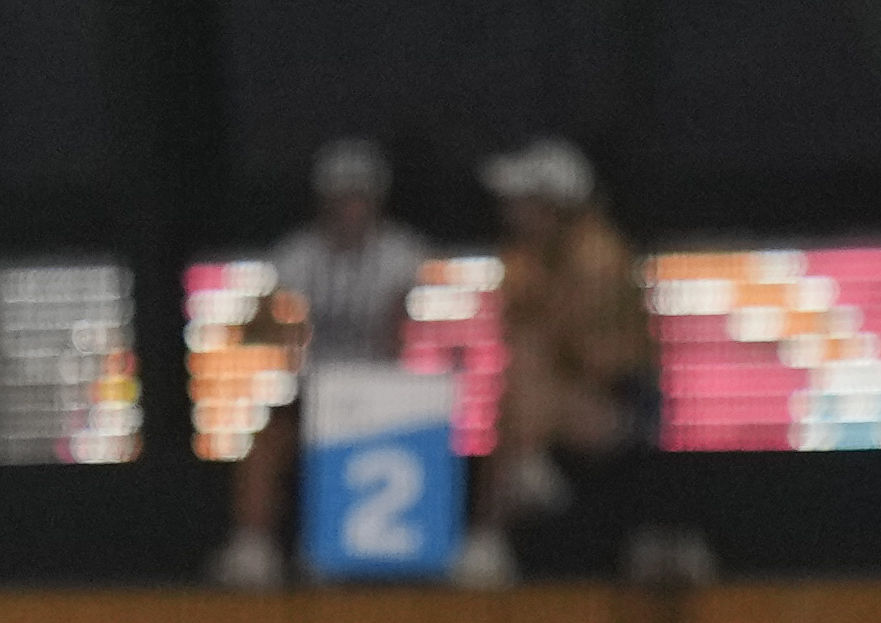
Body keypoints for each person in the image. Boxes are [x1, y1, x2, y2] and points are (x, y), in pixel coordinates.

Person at [213, 135, 429, 585]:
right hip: (317, 390)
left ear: (376, 201)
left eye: (359, 198)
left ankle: (341, 547)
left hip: (382, 394)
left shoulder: (402, 252)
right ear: (323, 202)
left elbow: (403, 331)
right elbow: (256, 325)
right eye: (341, 199)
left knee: (363, 438)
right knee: (265, 441)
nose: (350, 210)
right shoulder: (297, 253)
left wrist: (378, 393)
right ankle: (253, 545)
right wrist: (280, 327)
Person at [460, 135, 652, 585]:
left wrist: (550, 341)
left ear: (553, 207)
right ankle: (519, 481)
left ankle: (492, 532)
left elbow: (604, 364)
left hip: (617, 414)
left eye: (522, 201)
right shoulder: (523, 259)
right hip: (548, 403)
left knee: (524, 385)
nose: (509, 211)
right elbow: (516, 337)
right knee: (517, 393)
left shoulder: (600, 257)